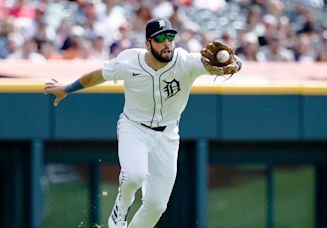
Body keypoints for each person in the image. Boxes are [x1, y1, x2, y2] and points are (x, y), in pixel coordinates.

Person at [44, 18, 241, 228]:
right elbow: (98, 76)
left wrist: (235, 64)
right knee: (134, 176)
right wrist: (67, 89)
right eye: (161, 38)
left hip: (168, 135)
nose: (167, 43)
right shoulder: (129, 61)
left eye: (171, 37)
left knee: (157, 206)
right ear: (148, 43)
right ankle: (118, 216)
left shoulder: (185, 61)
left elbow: (233, 64)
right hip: (134, 128)